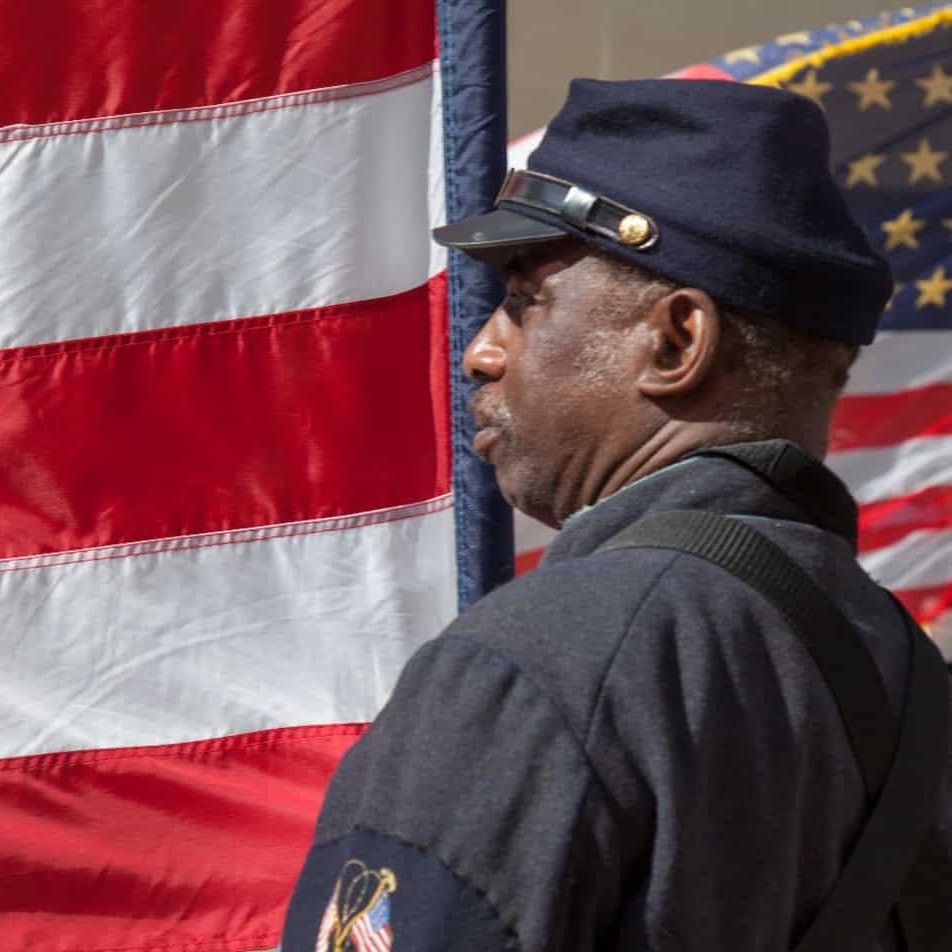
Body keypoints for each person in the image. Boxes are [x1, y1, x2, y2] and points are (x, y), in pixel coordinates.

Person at [280, 79, 952, 951]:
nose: (483, 351)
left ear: (675, 341)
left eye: (525, 302)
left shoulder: (538, 656)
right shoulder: (909, 675)